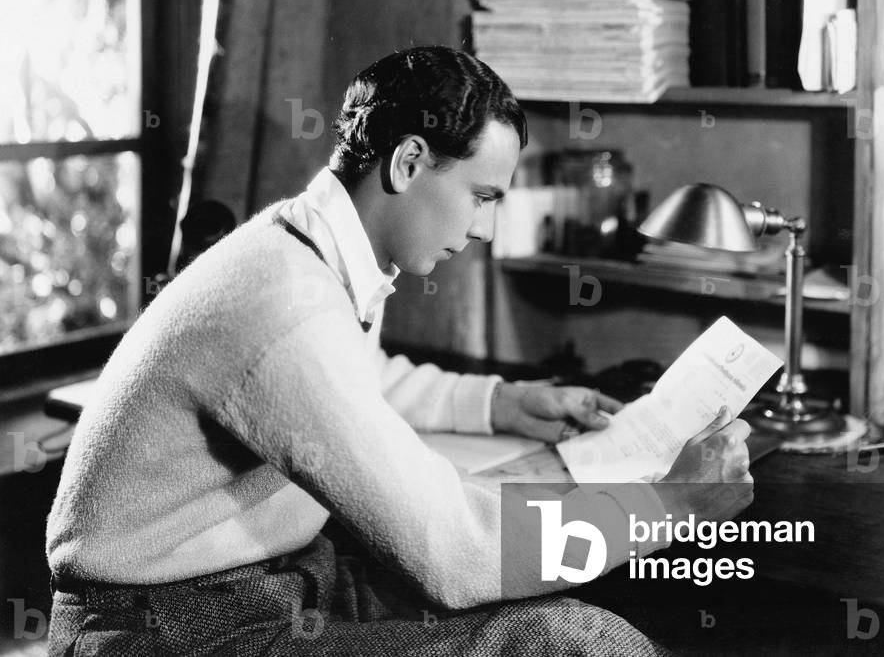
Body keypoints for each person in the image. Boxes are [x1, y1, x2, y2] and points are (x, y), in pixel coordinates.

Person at [45, 46, 752, 656]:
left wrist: (499, 401)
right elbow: (453, 553)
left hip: (270, 575)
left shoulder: (303, 249)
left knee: (540, 600)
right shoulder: (279, 306)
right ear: (410, 160)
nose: (484, 228)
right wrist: (665, 504)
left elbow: (353, 379)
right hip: (169, 630)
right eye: (480, 195)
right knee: (564, 641)